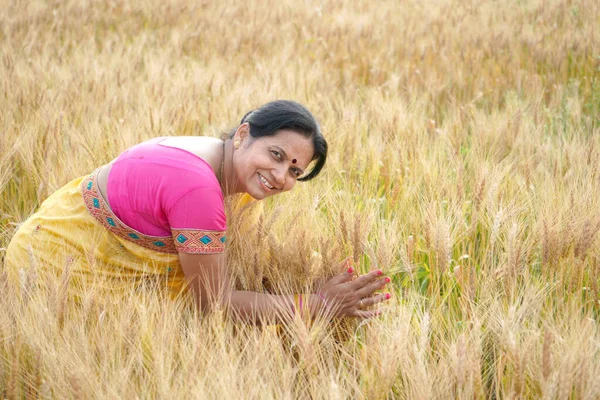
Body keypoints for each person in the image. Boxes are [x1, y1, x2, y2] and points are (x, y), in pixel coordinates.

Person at [5, 100, 391, 323]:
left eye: (294, 170)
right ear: (242, 135)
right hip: (56, 271)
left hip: (53, 236)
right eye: (275, 155)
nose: (280, 176)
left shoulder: (223, 163)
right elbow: (214, 304)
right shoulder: (198, 187)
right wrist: (318, 306)